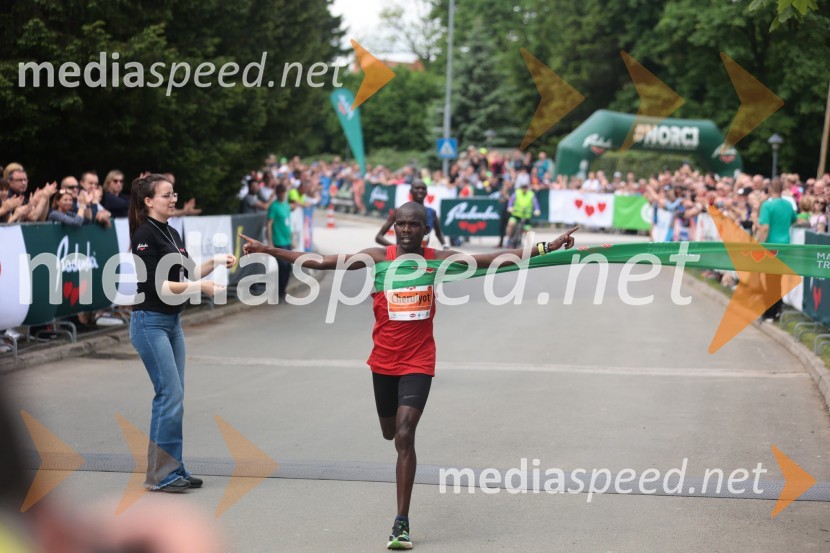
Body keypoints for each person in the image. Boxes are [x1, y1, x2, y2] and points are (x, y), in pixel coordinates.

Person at [239, 203, 577, 550]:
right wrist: (269, 250)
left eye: (412, 225)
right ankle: (399, 471)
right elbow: (322, 261)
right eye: (400, 224)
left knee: (404, 433)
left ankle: (401, 522)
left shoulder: (437, 259)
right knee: (389, 432)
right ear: (394, 227)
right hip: (383, 361)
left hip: (419, 359)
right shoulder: (376, 257)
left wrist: (544, 247)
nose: (405, 230)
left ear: (423, 229)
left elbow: (494, 258)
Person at [128, 174, 236, 492]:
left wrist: (215, 262)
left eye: (174, 194)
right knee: (169, 395)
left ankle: (172, 467)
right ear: (148, 201)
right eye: (166, 195)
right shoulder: (144, 234)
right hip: (149, 323)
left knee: (175, 396)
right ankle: (161, 475)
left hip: (171, 322)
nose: (173, 199)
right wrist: (199, 287)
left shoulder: (171, 231)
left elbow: (186, 270)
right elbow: (155, 285)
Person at [755, 177, 796, 322]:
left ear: (770, 189)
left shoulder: (767, 205)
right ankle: (776, 310)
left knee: (768, 280)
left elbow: (765, 228)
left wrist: (759, 244)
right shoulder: (788, 205)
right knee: (776, 280)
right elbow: (793, 219)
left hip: (770, 247)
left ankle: (769, 312)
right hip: (784, 246)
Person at [375, 180, 447, 249]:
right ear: (411, 191)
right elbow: (379, 237)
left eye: (423, 188)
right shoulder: (399, 211)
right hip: (401, 257)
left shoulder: (431, 212)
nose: (420, 190)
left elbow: (439, 233)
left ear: (426, 192)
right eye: (417, 188)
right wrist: (397, 248)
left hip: (423, 258)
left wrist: (445, 246)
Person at [266, 183, 296, 299]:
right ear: (278, 193)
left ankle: (282, 291)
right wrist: (270, 242)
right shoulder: (274, 206)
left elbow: (289, 222)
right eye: (281, 192)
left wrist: (292, 239)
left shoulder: (286, 205)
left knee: (288, 268)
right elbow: (269, 224)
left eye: (284, 192)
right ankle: (279, 292)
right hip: (278, 241)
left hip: (287, 240)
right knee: (283, 266)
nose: (283, 195)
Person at [504, 175, 541, 247]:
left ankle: (529, 248)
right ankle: (508, 239)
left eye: (525, 187)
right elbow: (511, 201)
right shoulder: (517, 192)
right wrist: (510, 207)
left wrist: (537, 210)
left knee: (528, 231)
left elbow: (535, 204)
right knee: (511, 223)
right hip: (516, 215)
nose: (524, 189)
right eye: (523, 187)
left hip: (526, 216)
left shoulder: (531, 194)